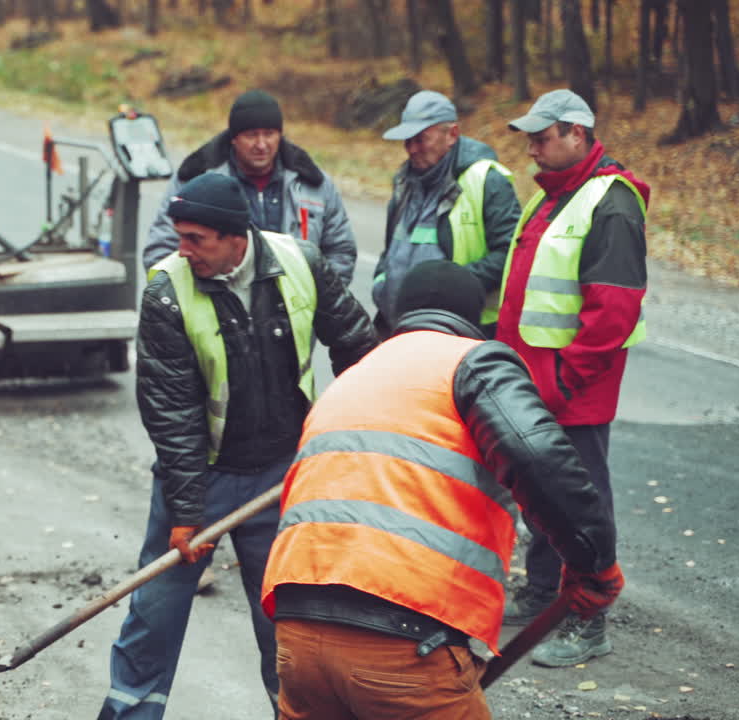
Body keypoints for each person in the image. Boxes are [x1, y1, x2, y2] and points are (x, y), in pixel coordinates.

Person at [261, 259, 625, 719]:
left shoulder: (353, 377)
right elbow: (539, 456)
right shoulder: (473, 361)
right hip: (400, 638)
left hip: (297, 635)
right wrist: (593, 562)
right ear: (472, 321)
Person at [98, 172, 378, 720]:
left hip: (281, 477)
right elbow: (171, 411)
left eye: (195, 239)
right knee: (155, 616)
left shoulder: (301, 263)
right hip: (201, 477)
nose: (183, 250)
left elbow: (359, 348)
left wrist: (351, 436)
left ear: (234, 237)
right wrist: (186, 512)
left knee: (286, 624)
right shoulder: (167, 291)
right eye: (179, 236)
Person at [497, 89, 649, 668]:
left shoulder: (611, 203)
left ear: (577, 134)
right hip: (536, 385)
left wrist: (561, 380)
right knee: (539, 493)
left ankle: (588, 622)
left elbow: (613, 312)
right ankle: (542, 593)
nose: (532, 149)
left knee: (581, 504)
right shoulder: (554, 195)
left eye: (542, 138)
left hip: (573, 391)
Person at [143, 89, 358, 287]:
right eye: (252, 135)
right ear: (234, 138)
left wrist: (320, 298)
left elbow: (341, 250)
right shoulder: (194, 181)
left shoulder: (314, 184)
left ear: (280, 135)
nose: (261, 145)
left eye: (269, 134)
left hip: (297, 308)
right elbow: (161, 250)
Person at [373, 90, 521, 337]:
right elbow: (391, 249)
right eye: (407, 141)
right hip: (399, 328)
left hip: (460, 330)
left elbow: (511, 252)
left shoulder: (486, 180)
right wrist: (381, 283)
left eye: (420, 139)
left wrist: (452, 289)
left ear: (452, 134)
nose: (411, 149)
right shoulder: (404, 182)